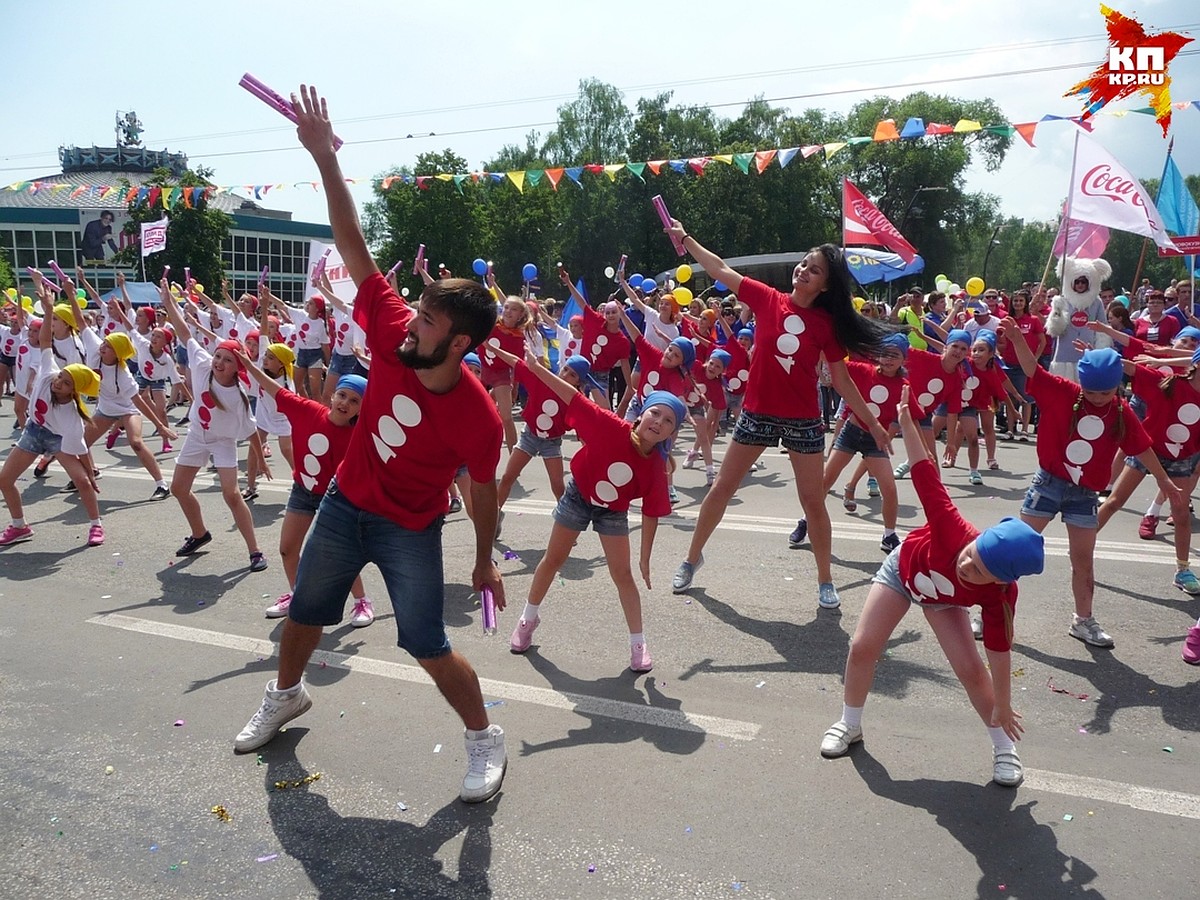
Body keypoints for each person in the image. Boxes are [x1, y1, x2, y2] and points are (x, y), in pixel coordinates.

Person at [233, 85, 508, 804]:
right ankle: (285, 694)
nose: (409, 326)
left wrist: (482, 561)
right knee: (304, 614)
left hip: (411, 528)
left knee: (425, 642)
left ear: (461, 343)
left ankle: (485, 740)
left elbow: (483, 490)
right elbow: (354, 245)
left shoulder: (481, 419)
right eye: (415, 314)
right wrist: (325, 158)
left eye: (426, 322)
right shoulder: (390, 331)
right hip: (344, 504)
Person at [819, 385, 1045, 788]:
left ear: (1001, 581)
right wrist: (906, 418)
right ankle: (849, 723)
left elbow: (999, 650)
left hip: (943, 602)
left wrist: (1006, 705)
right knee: (862, 646)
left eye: (978, 570)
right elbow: (924, 471)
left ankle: (1003, 748)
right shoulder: (952, 527)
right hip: (903, 573)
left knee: (972, 671)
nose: (966, 563)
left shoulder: (1000, 595)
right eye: (971, 554)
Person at [666, 223, 894, 611]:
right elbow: (720, 269)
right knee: (721, 488)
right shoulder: (767, 299)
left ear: (825, 286)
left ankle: (825, 579)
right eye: (804, 264)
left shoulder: (826, 326)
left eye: (815, 269)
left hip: (803, 419)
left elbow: (840, 379)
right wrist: (686, 239)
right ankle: (691, 559)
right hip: (757, 412)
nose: (804, 270)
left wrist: (872, 422)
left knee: (812, 501)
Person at [1002, 317, 1185, 648]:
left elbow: (1142, 447)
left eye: (1106, 392)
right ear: (1081, 384)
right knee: (1016, 546)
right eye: (1091, 392)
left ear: (1118, 387)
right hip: (1048, 483)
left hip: (1085, 494)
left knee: (1083, 560)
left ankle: (1083, 620)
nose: (1098, 398)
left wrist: (1165, 482)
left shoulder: (1119, 411)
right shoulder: (1063, 392)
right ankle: (993, 612)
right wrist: (1017, 339)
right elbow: (1032, 371)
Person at [508, 348, 681, 672]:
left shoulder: (657, 468)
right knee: (553, 559)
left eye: (668, 421)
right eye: (655, 413)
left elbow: (651, 513)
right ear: (641, 414)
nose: (659, 422)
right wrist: (536, 369)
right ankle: (527, 619)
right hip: (579, 496)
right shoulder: (609, 426)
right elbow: (572, 396)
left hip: (612, 511)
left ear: (672, 434)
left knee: (623, 574)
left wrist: (645, 558)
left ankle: (638, 644)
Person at [158, 280, 269, 571]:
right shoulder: (202, 362)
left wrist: (262, 463)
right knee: (178, 488)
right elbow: (183, 331)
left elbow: (251, 431)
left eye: (227, 360)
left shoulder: (239, 396)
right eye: (218, 355)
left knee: (231, 494)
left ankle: (255, 551)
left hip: (222, 442)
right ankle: (200, 533)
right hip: (197, 434)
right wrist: (169, 301)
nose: (219, 362)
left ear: (237, 367)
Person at [0, 281, 106, 548]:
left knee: (82, 482)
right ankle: (19, 526)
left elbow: (81, 450)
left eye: (66, 382)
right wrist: (48, 310)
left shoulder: (70, 416)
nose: (59, 382)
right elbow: (45, 340)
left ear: (73, 392)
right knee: (4, 479)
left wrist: (90, 474)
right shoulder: (48, 372)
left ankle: (96, 525)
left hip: (57, 438)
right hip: (34, 432)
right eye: (62, 376)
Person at [1095, 345, 1200, 597]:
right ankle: (1081, 545)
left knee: (1181, 513)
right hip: (1148, 450)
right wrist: (1099, 358)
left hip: (1181, 458)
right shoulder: (1170, 384)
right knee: (1114, 501)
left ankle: (1182, 570)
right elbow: (1132, 368)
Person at [797, 333, 914, 553]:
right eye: (885, 354)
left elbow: (911, 416)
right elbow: (836, 367)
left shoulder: (904, 385)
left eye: (895, 355)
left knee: (889, 488)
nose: (888, 359)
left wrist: (921, 447)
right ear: (878, 356)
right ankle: (805, 521)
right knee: (824, 480)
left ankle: (889, 535)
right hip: (851, 432)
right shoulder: (862, 370)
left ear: (903, 359)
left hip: (874, 441)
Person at [81, 331, 175, 501]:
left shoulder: (124, 376)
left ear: (118, 353)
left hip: (128, 410)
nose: (103, 347)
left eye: (109, 347)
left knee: (136, 442)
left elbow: (139, 402)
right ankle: (88, 474)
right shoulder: (96, 351)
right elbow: (80, 320)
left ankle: (162, 485)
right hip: (105, 411)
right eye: (104, 343)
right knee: (81, 444)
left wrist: (160, 427)